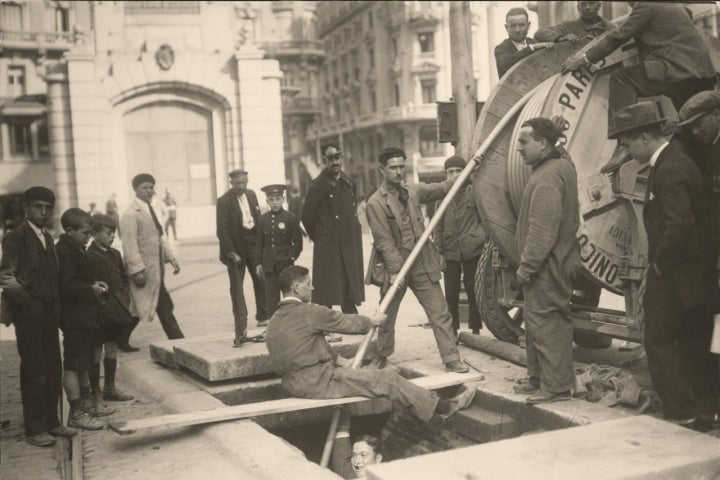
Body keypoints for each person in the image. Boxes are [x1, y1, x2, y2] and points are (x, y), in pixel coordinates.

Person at [611, 101, 719, 430]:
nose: (626, 151)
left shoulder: (670, 167)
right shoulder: (676, 162)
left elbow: (680, 224)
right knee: (693, 344)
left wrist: (659, 265)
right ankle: (704, 412)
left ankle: (680, 411)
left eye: (627, 144)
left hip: (675, 274)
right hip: (693, 275)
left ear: (645, 137)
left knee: (658, 339)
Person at [265, 266, 476, 429]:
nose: (312, 287)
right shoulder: (309, 312)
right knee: (388, 379)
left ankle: (424, 401)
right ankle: (445, 408)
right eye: (308, 284)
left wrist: (342, 362)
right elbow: (346, 322)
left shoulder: (274, 319)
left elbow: (307, 347)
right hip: (318, 382)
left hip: (292, 384)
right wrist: (373, 320)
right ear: (296, 288)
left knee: (372, 374)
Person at [561, 2, 716, 172]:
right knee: (693, 129)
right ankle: (707, 173)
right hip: (702, 72)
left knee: (622, 78)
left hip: (677, 70)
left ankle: (625, 143)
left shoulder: (646, 6)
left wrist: (584, 59)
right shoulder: (672, 4)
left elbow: (618, 36)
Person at [365, 147, 469, 373]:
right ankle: (382, 355)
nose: (398, 172)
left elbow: (442, 188)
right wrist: (395, 271)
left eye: (402, 166)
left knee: (440, 311)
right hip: (396, 267)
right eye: (393, 168)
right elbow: (383, 241)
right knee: (386, 315)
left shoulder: (413, 190)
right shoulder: (375, 203)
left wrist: (469, 169)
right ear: (382, 170)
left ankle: (451, 359)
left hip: (421, 262)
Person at [0, 187, 76, 446]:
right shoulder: (15, 237)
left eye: (48, 208)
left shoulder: (48, 235)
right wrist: (28, 303)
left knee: (53, 366)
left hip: (50, 313)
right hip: (29, 314)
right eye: (38, 207)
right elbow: (6, 277)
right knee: (34, 369)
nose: (44, 212)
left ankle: (52, 422)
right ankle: (34, 428)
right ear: (26, 208)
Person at [512, 117, 580, 404]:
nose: (519, 149)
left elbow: (542, 233)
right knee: (537, 323)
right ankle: (539, 379)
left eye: (524, 143)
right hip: (552, 263)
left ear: (543, 143)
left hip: (547, 267)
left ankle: (557, 388)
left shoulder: (548, 176)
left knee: (548, 322)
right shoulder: (557, 166)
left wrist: (525, 269)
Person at [56, 208, 109, 430]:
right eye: (85, 233)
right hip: (74, 318)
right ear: (69, 231)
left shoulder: (75, 248)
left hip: (84, 316)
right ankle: (76, 413)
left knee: (84, 361)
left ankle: (85, 404)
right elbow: (66, 287)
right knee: (73, 364)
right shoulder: (65, 252)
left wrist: (94, 285)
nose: (88, 237)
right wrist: (91, 289)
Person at [302, 143, 365, 313]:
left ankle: (350, 315)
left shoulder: (348, 182)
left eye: (337, 157)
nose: (335, 162)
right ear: (324, 160)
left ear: (342, 158)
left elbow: (352, 209)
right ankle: (324, 320)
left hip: (349, 242)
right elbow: (307, 216)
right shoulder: (318, 185)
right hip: (328, 244)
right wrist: (322, 237)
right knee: (327, 284)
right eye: (330, 159)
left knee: (348, 278)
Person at [120, 173, 184, 340]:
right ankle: (178, 339)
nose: (149, 191)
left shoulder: (151, 208)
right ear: (135, 189)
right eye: (144, 188)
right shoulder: (130, 214)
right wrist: (136, 270)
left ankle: (120, 338)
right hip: (144, 271)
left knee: (143, 305)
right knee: (159, 305)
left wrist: (171, 257)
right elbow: (129, 245)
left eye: (151, 187)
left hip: (156, 269)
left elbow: (159, 236)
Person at [433, 155, 486, 336]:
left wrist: (480, 237)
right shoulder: (442, 196)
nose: (455, 175)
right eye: (450, 172)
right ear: (446, 174)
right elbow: (437, 225)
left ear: (465, 171)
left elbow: (485, 219)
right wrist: (439, 251)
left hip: (473, 248)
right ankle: (453, 330)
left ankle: (475, 329)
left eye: (458, 171)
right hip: (450, 250)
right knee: (451, 292)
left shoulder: (474, 191)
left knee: (474, 290)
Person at [86, 214, 135, 403]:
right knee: (96, 351)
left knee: (112, 347)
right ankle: (95, 391)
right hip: (99, 311)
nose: (112, 236)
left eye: (113, 233)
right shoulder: (88, 256)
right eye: (108, 233)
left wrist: (124, 296)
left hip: (115, 309)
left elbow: (123, 278)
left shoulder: (115, 254)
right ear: (95, 234)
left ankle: (110, 388)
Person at [216, 169, 268, 345]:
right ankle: (240, 324)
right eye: (238, 183)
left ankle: (263, 316)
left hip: (253, 243)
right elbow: (222, 230)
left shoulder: (252, 194)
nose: (241, 186)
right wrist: (232, 252)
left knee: (261, 279)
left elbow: (258, 218)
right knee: (237, 288)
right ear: (231, 183)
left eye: (244, 182)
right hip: (236, 248)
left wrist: (262, 245)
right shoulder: (223, 201)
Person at [678, 91, 720, 293]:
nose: (695, 132)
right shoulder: (711, 150)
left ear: (717, 115)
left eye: (698, 124)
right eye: (690, 127)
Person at [255, 184, 303, 318]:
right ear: (267, 202)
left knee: (289, 297)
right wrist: (258, 263)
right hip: (269, 265)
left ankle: (292, 322)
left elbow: (298, 243)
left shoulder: (291, 218)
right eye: (271, 200)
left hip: (286, 264)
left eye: (277, 199)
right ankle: (274, 324)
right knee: (271, 299)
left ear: (283, 199)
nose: (275, 202)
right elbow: (259, 243)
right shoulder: (262, 219)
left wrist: (292, 257)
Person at [494, 7, 554, 78]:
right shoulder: (501, 49)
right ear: (506, 28)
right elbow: (507, 64)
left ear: (528, 26)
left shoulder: (536, 43)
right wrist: (531, 48)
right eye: (513, 26)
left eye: (521, 25)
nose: (517, 30)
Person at [331, 411, 383, 479]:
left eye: (363, 455)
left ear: (378, 459)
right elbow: (341, 459)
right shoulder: (350, 476)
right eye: (354, 455)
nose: (356, 462)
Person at [534, 1, 614, 44]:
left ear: (599, 6)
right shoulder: (569, 26)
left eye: (592, 3)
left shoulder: (611, 28)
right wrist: (560, 38)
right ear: (578, 7)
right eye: (583, 4)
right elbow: (540, 33)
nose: (587, 7)